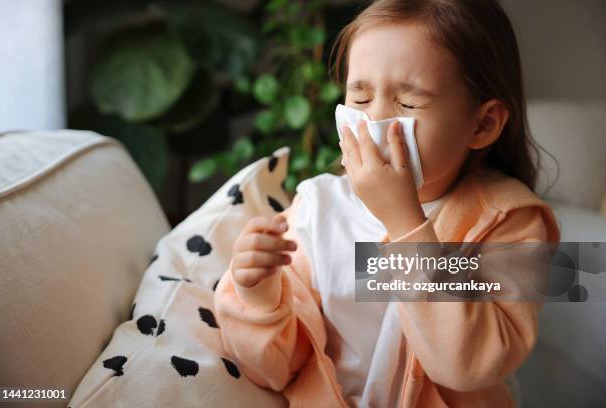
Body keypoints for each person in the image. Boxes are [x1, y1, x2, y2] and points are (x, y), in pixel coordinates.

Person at [214, 0, 560, 406]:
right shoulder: (317, 209)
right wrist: (257, 297)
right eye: (360, 99)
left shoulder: (511, 222)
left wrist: (403, 221)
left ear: (482, 124)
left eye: (408, 104)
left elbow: (469, 366)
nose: (375, 120)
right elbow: (275, 370)